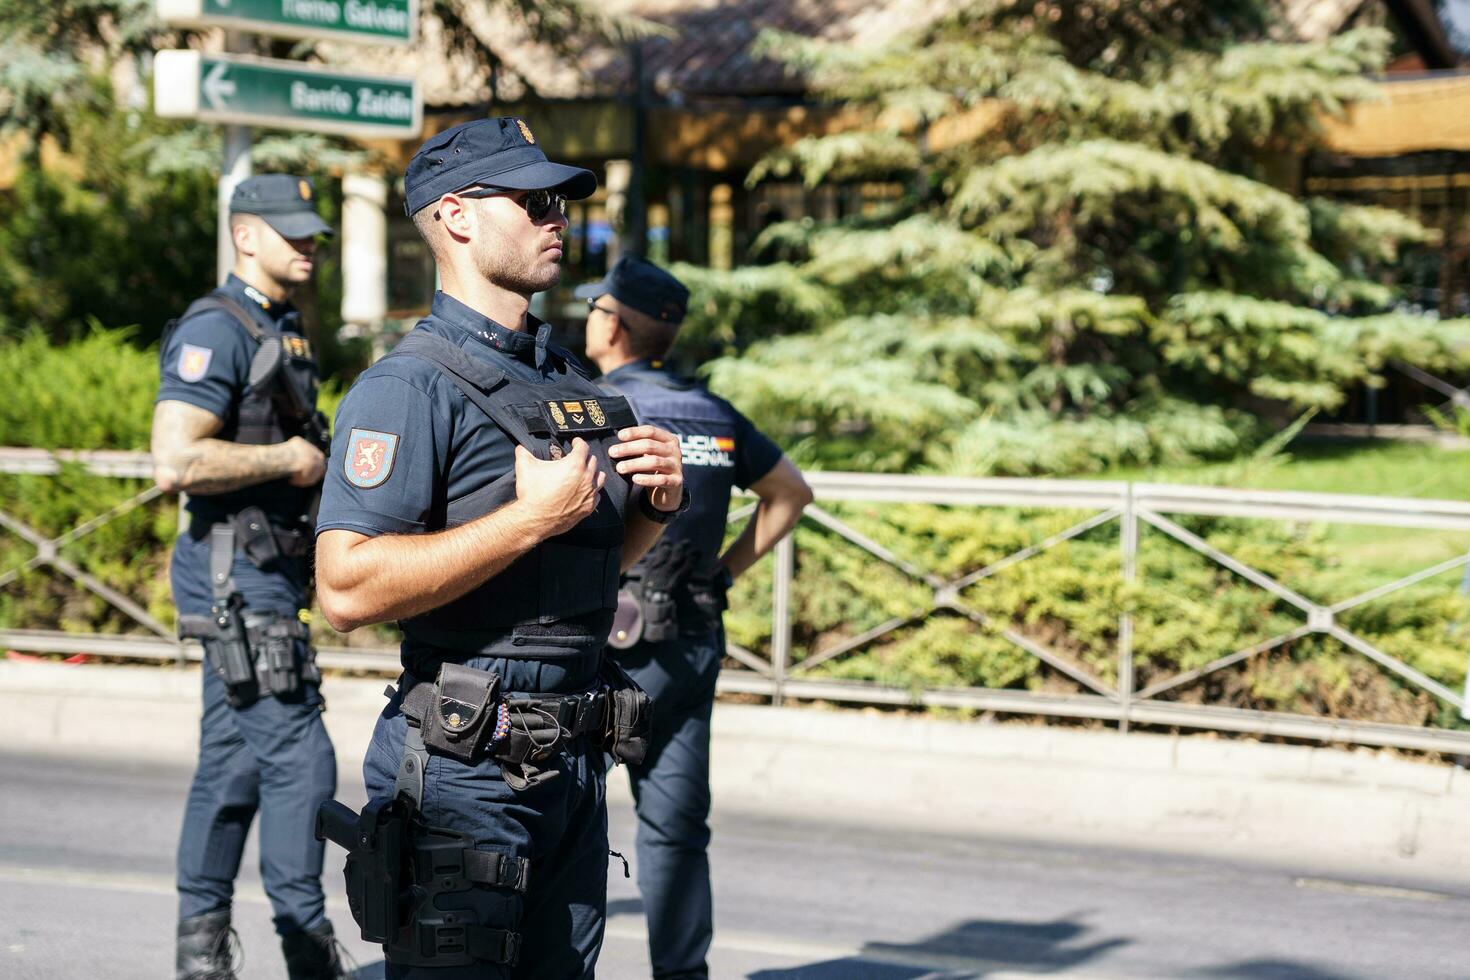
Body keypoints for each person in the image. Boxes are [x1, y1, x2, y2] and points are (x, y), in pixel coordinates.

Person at [312, 118, 687, 979]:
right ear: (457, 217)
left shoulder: (567, 382)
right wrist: (528, 519)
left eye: (561, 202)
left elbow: (573, 577)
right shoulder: (407, 387)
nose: (559, 219)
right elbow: (344, 589)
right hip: (465, 773)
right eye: (535, 200)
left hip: (575, 765)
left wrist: (654, 510)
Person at [579, 254, 813, 980]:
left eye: (596, 309)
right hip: (690, 642)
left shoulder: (598, 405)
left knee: (567, 821)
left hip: (607, 647)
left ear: (613, 326)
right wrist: (723, 572)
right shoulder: (713, 412)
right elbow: (790, 493)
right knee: (676, 832)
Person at [151, 174, 347, 980]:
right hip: (236, 577)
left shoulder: (282, 325)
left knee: (233, 767)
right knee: (304, 758)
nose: (307, 246)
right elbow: (175, 457)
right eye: (290, 232)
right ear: (244, 236)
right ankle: (308, 949)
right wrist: (289, 459)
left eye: (312, 234)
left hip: (265, 572)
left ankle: (201, 958)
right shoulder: (218, 327)